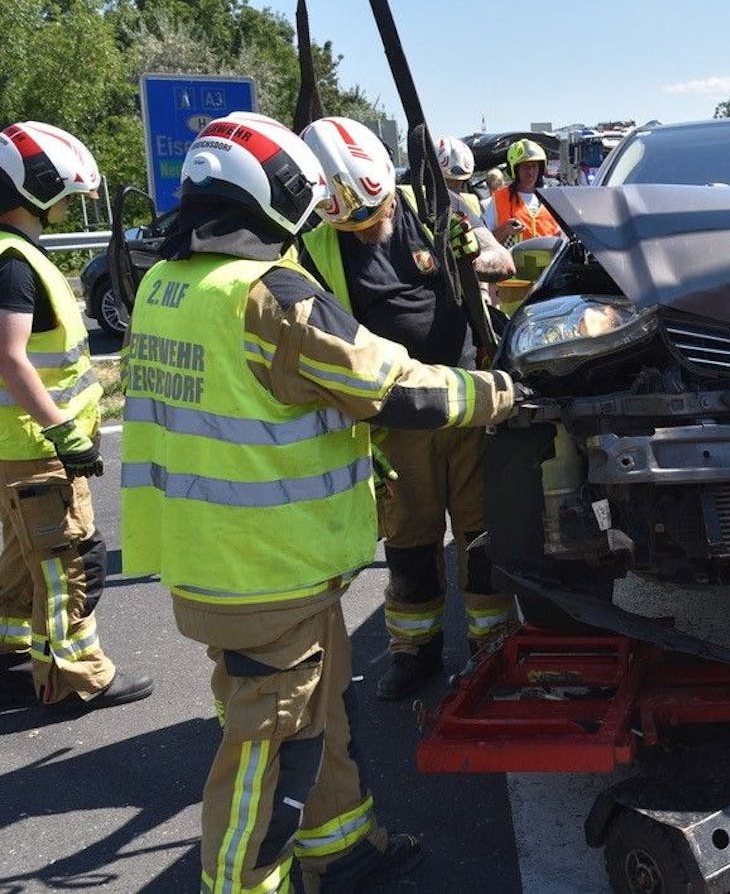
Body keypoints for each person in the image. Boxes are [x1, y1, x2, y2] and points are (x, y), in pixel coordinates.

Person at [120, 111, 525, 892]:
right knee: (269, 750)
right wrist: (501, 392)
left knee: (320, 716)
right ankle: (239, 883)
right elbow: (392, 386)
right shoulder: (269, 295)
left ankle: (341, 848)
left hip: (222, 560)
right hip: (268, 567)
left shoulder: (169, 284)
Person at [300, 116, 516, 701]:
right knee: (410, 543)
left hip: (471, 402)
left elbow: (505, 262)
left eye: (375, 217)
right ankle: (413, 652)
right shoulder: (313, 244)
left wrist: (476, 253)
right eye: (354, 224)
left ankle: (490, 647)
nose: (369, 232)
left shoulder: (436, 207)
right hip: (395, 417)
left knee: (479, 534)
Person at [0, 121, 152, 712]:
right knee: (69, 561)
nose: (70, 202)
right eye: (65, 192)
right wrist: (62, 430)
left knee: (21, 557)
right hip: (38, 445)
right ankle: (74, 676)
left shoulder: (13, 255)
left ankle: (12, 652)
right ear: (35, 188)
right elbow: (11, 356)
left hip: (17, 444)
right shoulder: (16, 263)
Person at [482, 138, 560, 245]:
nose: (530, 171)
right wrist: (504, 230)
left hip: (550, 261)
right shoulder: (499, 199)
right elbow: (485, 242)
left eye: (534, 166)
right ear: (515, 170)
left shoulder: (552, 198)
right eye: (525, 167)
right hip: (512, 261)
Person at [435, 135, 482, 220]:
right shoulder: (417, 205)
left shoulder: (472, 203)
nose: (454, 186)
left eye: (459, 181)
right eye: (448, 181)